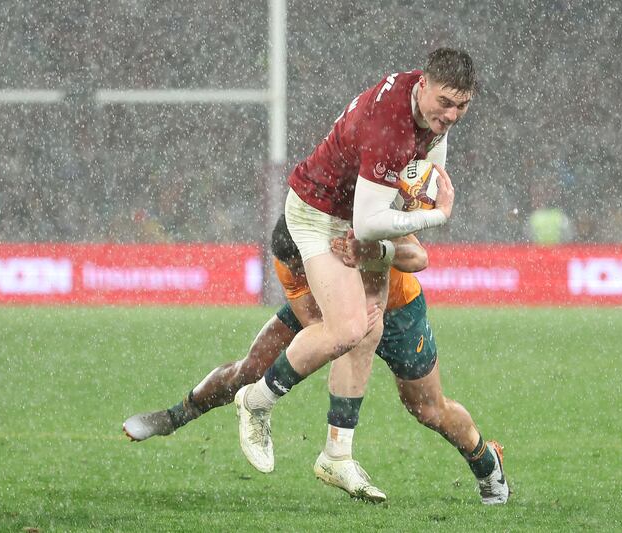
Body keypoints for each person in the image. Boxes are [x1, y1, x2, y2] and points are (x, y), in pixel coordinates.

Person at [123, 215, 509, 505]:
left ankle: (486, 463)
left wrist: (376, 251)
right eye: (291, 268)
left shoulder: (358, 219)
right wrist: (346, 323)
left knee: (427, 408)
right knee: (252, 368)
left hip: (397, 310)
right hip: (331, 306)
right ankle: (174, 416)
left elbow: (418, 255)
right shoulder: (290, 258)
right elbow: (319, 328)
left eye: (300, 266)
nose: (293, 273)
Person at [237, 48, 477, 477]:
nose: (453, 114)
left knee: (369, 324)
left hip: (353, 210)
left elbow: (427, 160)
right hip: (319, 213)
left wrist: (416, 194)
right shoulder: (391, 129)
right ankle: (255, 403)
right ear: (423, 85)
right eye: (445, 103)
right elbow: (368, 225)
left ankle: (337, 455)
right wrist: (435, 214)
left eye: (462, 105)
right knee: (346, 329)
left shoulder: (422, 103)